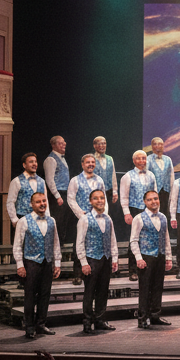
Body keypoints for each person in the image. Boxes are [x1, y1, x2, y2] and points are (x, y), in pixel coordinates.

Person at [12, 191, 60, 339]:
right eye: (38, 202)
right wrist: (20, 265)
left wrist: (57, 263)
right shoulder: (24, 221)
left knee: (45, 295)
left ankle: (41, 325)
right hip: (31, 262)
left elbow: (56, 243)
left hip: (47, 262)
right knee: (30, 296)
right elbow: (17, 245)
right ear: (32, 204)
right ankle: (29, 327)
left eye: (44, 201)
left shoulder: (52, 221)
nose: (42, 204)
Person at [129, 188, 173, 330]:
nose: (153, 201)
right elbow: (133, 240)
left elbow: (166, 238)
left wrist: (168, 257)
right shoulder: (139, 218)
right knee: (145, 288)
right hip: (146, 256)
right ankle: (142, 317)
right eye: (150, 199)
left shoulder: (163, 217)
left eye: (155, 198)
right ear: (144, 202)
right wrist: (138, 258)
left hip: (159, 255)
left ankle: (155, 315)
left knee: (157, 287)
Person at [76, 187, 117, 334]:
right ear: (90, 201)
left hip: (106, 258)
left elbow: (112, 239)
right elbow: (79, 242)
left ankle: (100, 320)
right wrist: (83, 262)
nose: (99, 200)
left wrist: (114, 257)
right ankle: (87, 321)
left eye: (102, 198)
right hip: (92, 259)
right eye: (96, 198)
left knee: (103, 291)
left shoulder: (108, 218)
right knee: (89, 292)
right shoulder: (85, 219)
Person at [67, 154, 107, 284]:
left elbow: (104, 198)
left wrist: (104, 214)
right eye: (88, 162)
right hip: (81, 217)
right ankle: (78, 274)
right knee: (79, 244)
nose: (90, 164)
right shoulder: (75, 180)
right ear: (82, 164)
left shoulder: (99, 180)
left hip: (98, 217)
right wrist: (81, 215)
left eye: (92, 162)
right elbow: (71, 199)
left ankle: (97, 273)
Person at [120, 150, 157, 281]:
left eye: (144, 158)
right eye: (139, 158)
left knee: (149, 239)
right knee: (134, 240)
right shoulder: (127, 176)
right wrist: (126, 213)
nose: (142, 161)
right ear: (134, 160)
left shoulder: (151, 175)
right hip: (134, 210)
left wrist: (156, 209)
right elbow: (124, 196)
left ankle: (148, 268)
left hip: (149, 210)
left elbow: (155, 193)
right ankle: (133, 270)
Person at [43, 134, 74, 258]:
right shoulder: (51, 159)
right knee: (58, 223)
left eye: (64, 142)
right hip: (57, 195)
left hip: (65, 193)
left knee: (64, 223)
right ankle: (55, 252)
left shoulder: (62, 158)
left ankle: (61, 250)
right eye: (61, 143)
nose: (64, 144)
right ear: (54, 145)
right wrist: (57, 196)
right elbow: (50, 180)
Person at [5, 152, 45, 228]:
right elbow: (10, 202)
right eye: (31, 162)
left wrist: (47, 218)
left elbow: (45, 202)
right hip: (22, 219)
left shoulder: (42, 181)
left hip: (39, 219)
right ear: (24, 165)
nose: (34, 164)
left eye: (35, 162)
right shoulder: (16, 181)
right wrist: (14, 220)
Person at [147, 137, 175, 217]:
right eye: (155, 144)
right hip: (153, 191)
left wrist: (172, 191)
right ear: (152, 146)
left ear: (163, 146)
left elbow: (171, 176)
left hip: (166, 191)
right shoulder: (148, 159)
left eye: (160, 144)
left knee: (165, 213)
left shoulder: (168, 159)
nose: (157, 146)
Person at [92, 136, 118, 206]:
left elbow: (113, 175)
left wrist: (115, 191)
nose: (102, 146)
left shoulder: (110, 158)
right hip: (96, 192)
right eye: (99, 144)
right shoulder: (91, 159)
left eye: (104, 143)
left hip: (109, 191)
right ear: (94, 146)